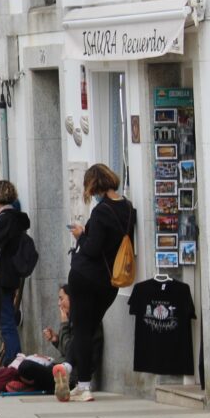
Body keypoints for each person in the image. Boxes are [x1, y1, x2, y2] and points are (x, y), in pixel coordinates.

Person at [66, 163, 135, 402]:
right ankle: (67, 368)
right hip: (110, 283)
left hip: (86, 277)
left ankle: (83, 384)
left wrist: (81, 235)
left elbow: (93, 249)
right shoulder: (127, 208)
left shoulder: (101, 210)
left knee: (82, 329)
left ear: (94, 185)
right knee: (89, 327)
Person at [0, 180, 31, 366]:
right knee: (5, 318)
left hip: (2, 275)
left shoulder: (4, 220)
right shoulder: (14, 219)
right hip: (9, 274)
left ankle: (14, 358)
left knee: (5, 320)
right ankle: (13, 356)